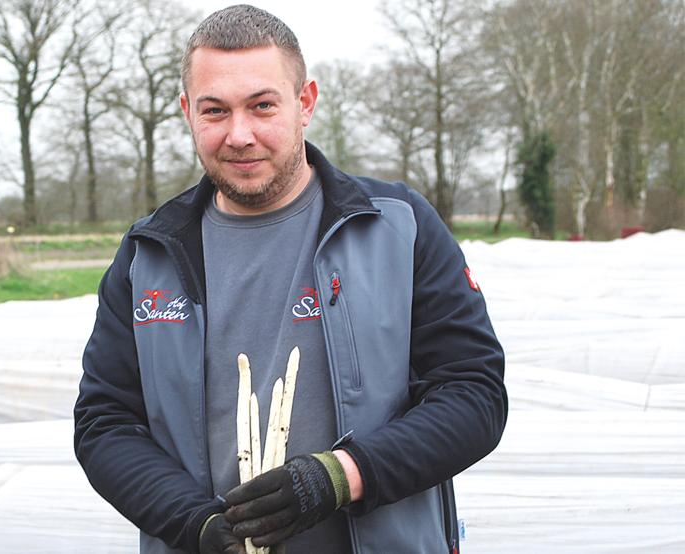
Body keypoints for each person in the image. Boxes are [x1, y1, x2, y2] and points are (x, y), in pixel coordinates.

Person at [74, 4, 507, 553]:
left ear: (305, 102)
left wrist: (340, 477)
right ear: (187, 112)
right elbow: (105, 424)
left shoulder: (399, 225)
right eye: (214, 111)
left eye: (262, 106)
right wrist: (195, 524)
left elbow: (474, 395)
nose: (239, 134)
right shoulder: (149, 254)